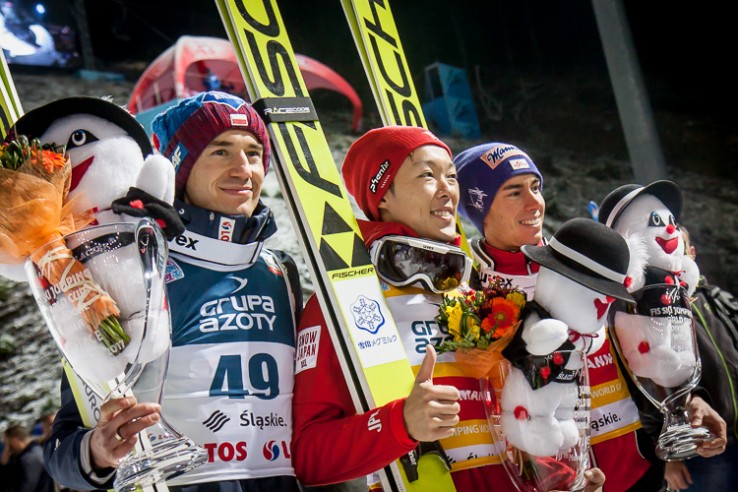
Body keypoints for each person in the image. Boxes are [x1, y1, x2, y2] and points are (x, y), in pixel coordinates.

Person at [291, 127, 604, 492]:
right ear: (383, 195)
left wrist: (562, 479)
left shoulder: (476, 296)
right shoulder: (343, 300)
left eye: (452, 177)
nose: (447, 190)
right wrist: (400, 424)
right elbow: (309, 458)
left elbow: (511, 425)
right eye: (427, 175)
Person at [44, 91, 303, 491]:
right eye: (220, 151)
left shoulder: (280, 272)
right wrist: (97, 451)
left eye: (254, 154)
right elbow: (62, 447)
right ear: (179, 168)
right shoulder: (129, 271)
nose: (243, 169)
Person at [454, 142, 725, 491]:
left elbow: (650, 335)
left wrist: (690, 400)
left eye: (535, 187)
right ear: (480, 207)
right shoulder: (473, 297)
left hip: (641, 469)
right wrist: (557, 476)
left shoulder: (587, 256)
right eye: (514, 192)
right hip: (562, 478)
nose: (534, 203)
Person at [663, 226, 737, 491]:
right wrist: (669, 457)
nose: (673, 257)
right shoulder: (654, 309)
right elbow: (651, 387)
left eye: (679, 248)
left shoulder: (716, 299)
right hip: (703, 448)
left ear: (692, 253)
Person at [1, 423, 54, 492]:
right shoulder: (33, 452)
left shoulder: (30, 458)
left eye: (7, 443)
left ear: (15, 440)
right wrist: (4, 464)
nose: (6, 448)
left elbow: (25, 488)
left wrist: (4, 465)